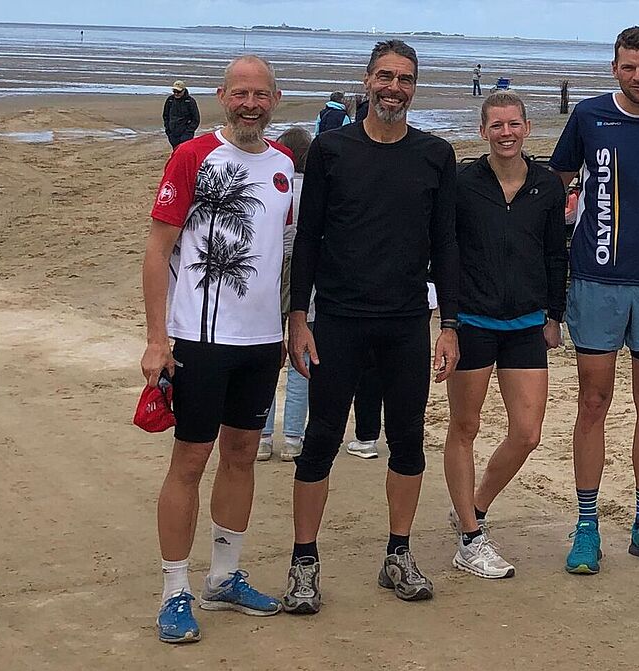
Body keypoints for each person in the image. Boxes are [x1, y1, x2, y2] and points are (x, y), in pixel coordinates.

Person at [283, 39, 462, 613]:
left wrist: (451, 323)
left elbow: (447, 246)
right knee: (321, 441)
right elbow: (307, 237)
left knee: (408, 441)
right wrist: (297, 316)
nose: (393, 87)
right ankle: (304, 563)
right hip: (337, 319)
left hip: (407, 321)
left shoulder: (435, 155)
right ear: (366, 81)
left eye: (404, 79)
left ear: (414, 87)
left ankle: (398, 554)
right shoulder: (332, 150)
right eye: (384, 76)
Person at [142, 55, 293, 644]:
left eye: (260, 94)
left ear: (276, 98)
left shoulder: (283, 166)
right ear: (222, 96)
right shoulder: (192, 156)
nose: (250, 103)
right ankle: (174, 588)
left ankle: (225, 577)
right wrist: (158, 340)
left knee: (241, 457)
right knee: (189, 463)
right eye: (240, 93)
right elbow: (158, 250)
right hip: (199, 342)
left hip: (262, 342)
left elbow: (289, 255)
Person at [548, 25, 639, 575]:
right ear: (615, 68)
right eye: (628, 66)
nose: (638, 75)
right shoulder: (588, 116)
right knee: (593, 403)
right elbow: (555, 181)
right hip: (596, 280)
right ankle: (586, 524)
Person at [444, 91, 569, 579]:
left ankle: (472, 507)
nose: (505, 133)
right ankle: (471, 540)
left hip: (526, 325)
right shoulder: (463, 184)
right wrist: (448, 323)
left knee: (527, 433)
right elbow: (447, 255)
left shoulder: (546, 186)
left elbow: (556, 254)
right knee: (465, 427)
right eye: (495, 126)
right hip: (472, 323)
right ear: (483, 132)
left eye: (513, 124)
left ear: (526, 128)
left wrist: (554, 314)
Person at [258, 126, 314, 463]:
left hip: (270, 269)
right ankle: (293, 437)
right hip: (305, 275)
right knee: (301, 358)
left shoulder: (274, 184)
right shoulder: (314, 189)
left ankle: (262, 435)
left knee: (266, 355)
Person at [162, 81, 200, 149]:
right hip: (173, 133)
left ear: (184, 90)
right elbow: (165, 116)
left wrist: (188, 132)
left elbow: (196, 119)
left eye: (178, 92)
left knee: (184, 151)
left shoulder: (190, 101)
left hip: (186, 134)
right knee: (176, 151)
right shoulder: (170, 100)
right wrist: (168, 130)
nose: (176, 93)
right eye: (174, 91)